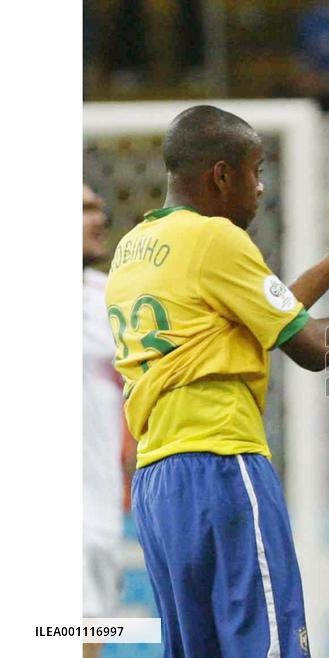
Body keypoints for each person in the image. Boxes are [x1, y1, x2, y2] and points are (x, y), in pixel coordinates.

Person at [105, 105, 329, 656]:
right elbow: (314, 348)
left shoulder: (133, 248)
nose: (260, 187)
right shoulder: (215, 239)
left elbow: (266, 312)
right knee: (270, 644)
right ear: (221, 175)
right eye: (255, 171)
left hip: (158, 485)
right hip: (222, 465)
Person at [83, 183, 125, 658]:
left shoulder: (112, 298)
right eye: (82, 210)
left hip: (100, 505)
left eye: (99, 207)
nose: (98, 220)